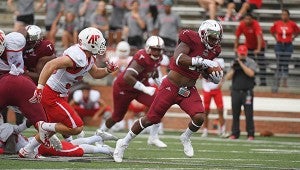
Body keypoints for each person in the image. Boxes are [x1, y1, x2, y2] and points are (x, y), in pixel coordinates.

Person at [113, 19, 223, 162]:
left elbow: (203, 70)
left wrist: (212, 77)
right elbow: (179, 59)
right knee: (150, 119)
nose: (214, 41)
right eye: (212, 37)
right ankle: (123, 143)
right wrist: (202, 61)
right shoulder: (190, 38)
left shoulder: (215, 50)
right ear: (202, 34)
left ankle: (185, 137)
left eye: (217, 38)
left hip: (188, 89)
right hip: (171, 85)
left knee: (199, 117)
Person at [27, 27, 118, 147]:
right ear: (90, 43)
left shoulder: (88, 56)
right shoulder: (77, 57)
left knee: (53, 128)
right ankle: (42, 126)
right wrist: (40, 87)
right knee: (77, 127)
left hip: (61, 93)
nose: (102, 45)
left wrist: (108, 70)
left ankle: (27, 149)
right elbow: (50, 64)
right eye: (99, 42)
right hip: (52, 93)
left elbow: (95, 73)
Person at [0, 30, 62, 158]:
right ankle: (46, 134)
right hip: (23, 83)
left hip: (10, 83)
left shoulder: (15, 41)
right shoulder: (15, 40)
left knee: (39, 116)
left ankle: (44, 135)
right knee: (40, 120)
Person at [99, 36, 167, 149]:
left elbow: (153, 71)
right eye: (154, 49)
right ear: (148, 48)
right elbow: (128, 77)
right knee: (117, 117)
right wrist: (145, 89)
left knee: (160, 104)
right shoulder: (141, 57)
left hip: (140, 86)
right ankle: (99, 135)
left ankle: (153, 137)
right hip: (124, 88)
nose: (156, 52)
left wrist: (159, 83)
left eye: (158, 50)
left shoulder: (159, 58)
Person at [0, 122, 114, 157]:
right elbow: (17, 130)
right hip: (33, 143)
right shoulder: (4, 128)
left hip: (36, 147)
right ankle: (98, 136)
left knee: (74, 150)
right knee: (70, 145)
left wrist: (28, 122)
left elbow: (9, 149)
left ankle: (106, 150)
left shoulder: (3, 128)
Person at [225, 45, 257, 140]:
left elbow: (251, 73)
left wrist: (242, 64)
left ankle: (250, 134)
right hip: (235, 92)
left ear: (246, 53)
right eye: (240, 53)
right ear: (238, 53)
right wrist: (235, 67)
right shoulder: (233, 63)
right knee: (235, 114)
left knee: (249, 114)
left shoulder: (251, 62)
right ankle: (235, 133)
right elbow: (227, 77)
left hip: (247, 92)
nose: (242, 55)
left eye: (243, 54)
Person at [270, 9, 299, 91]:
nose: (284, 16)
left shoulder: (292, 24)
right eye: (283, 14)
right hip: (279, 44)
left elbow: (297, 31)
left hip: (288, 45)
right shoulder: (277, 23)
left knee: (286, 62)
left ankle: (285, 81)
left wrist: (293, 37)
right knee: (279, 62)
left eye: (286, 14)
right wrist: (276, 38)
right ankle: (278, 81)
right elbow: (272, 31)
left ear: (288, 16)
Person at [234, 13, 266, 86]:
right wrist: (235, 47)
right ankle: (251, 81)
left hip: (260, 46)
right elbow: (237, 36)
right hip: (249, 46)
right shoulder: (242, 24)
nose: (247, 20)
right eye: (246, 19)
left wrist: (258, 49)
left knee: (262, 63)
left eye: (249, 19)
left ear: (252, 19)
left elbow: (259, 36)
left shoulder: (256, 24)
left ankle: (263, 81)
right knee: (249, 63)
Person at [200, 58, 227, 138]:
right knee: (206, 111)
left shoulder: (220, 60)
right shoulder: (203, 59)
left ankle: (223, 130)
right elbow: (200, 76)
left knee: (220, 109)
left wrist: (221, 83)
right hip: (207, 89)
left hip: (216, 89)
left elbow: (222, 74)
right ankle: (205, 130)